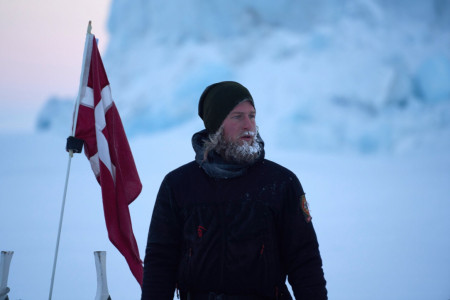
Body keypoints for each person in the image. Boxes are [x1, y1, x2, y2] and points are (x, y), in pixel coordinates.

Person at [141, 81, 327, 300]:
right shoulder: (179, 184)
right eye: (237, 116)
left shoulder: (281, 182)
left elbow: (304, 260)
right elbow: (160, 260)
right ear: (216, 124)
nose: (249, 125)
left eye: (252, 115)